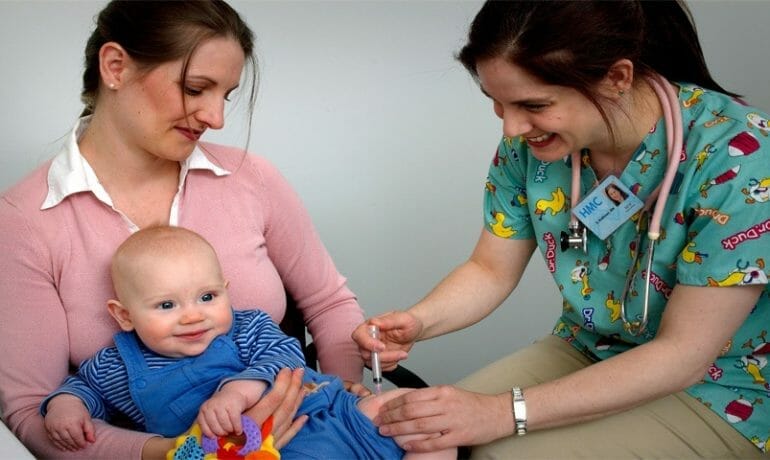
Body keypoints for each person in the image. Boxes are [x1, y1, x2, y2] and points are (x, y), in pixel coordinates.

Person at [353, 1, 770, 458]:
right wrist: (418, 322)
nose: (512, 128)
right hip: (589, 348)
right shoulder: (535, 146)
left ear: (616, 78)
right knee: (410, 430)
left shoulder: (741, 157)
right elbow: (491, 269)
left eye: (534, 105)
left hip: (721, 387)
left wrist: (497, 413)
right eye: (499, 104)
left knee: (496, 453)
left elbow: (683, 356)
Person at [0, 1, 365, 458]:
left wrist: (346, 401)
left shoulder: (253, 179)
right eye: (196, 89)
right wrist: (190, 452)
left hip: (312, 427)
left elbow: (329, 304)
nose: (216, 118)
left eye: (225, 95)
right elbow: (32, 410)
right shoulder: (24, 222)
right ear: (115, 67)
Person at [41, 226, 455, 460]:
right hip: (263, 453)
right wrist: (66, 406)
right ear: (124, 316)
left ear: (226, 290)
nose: (193, 315)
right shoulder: (116, 365)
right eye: (166, 305)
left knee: (430, 423)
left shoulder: (247, 326)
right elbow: (83, 387)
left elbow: (284, 353)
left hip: (334, 409)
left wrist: (239, 391)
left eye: (207, 297)